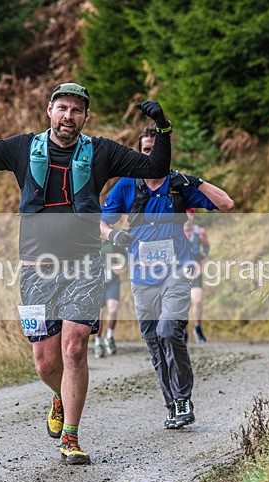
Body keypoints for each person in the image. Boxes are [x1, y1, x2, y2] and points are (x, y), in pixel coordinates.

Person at [0, 83, 173, 464]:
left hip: (85, 266)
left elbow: (156, 168)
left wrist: (164, 130)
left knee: (74, 348)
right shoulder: (23, 147)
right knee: (45, 361)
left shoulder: (101, 151)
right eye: (63, 108)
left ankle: (70, 436)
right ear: (49, 110)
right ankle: (59, 395)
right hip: (36, 271)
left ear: (85, 117)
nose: (69, 116)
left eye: (76, 110)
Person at [100, 125, 234, 429]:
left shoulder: (179, 185)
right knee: (153, 342)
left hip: (177, 272)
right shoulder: (127, 186)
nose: (151, 155)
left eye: (156, 149)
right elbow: (99, 223)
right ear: (139, 153)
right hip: (141, 279)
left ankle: (184, 398)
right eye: (146, 150)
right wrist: (114, 236)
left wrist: (197, 182)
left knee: (168, 330)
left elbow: (227, 203)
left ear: (166, 152)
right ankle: (172, 404)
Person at [92, 239, 126, 358]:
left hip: (112, 281)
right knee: (99, 315)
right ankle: (98, 343)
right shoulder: (89, 241)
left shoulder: (113, 242)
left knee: (113, 310)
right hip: (96, 283)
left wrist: (119, 266)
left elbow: (124, 256)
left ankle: (109, 337)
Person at [184, 210, 210, 343]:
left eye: (189, 215)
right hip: (180, 273)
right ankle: (183, 331)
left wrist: (202, 255)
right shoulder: (175, 231)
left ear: (192, 216)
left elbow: (206, 246)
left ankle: (197, 327)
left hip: (196, 271)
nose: (186, 218)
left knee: (197, 300)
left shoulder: (199, 231)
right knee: (182, 303)